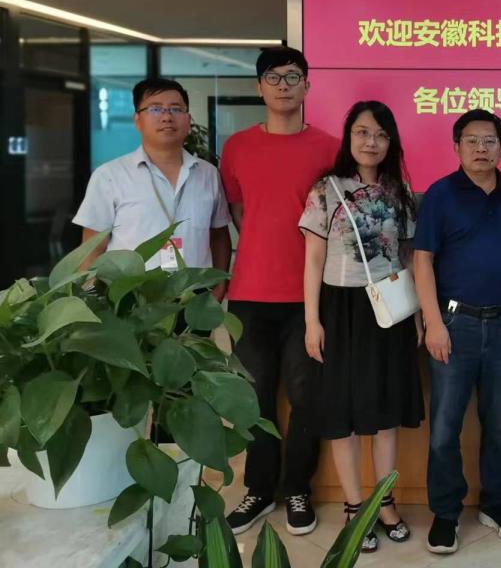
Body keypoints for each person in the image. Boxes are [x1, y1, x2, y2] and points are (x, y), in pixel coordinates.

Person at [219, 46, 339, 536]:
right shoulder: (237, 148)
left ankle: (297, 489)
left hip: (311, 299)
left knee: (308, 397)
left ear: (308, 86)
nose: (284, 85)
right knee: (254, 399)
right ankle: (259, 489)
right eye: (274, 77)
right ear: (259, 87)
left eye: (293, 76)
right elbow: (240, 212)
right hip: (249, 294)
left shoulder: (330, 149)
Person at [300, 100, 424, 553]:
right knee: (343, 413)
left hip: (389, 307)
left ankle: (384, 502)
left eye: (381, 135)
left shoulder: (399, 192)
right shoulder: (325, 190)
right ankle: (354, 506)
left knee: (386, 411)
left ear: (391, 142)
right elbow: (313, 259)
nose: (371, 142)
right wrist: (312, 321)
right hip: (339, 309)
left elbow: (408, 257)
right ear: (348, 137)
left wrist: (417, 314)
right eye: (362, 133)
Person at [414, 109, 501, 554]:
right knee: (445, 426)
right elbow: (422, 259)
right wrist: (434, 322)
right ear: (457, 146)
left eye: (489, 141)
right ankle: (445, 513)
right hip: (454, 324)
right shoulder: (440, 194)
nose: (481, 148)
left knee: (499, 425)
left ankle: (496, 504)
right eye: (472, 141)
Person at [74, 78, 231, 288]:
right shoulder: (109, 176)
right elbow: (92, 249)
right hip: (131, 298)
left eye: (176, 109)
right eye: (155, 109)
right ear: (137, 120)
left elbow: (219, 237)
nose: (166, 117)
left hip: (195, 294)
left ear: (188, 120)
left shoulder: (208, 174)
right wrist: (92, 297)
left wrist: (218, 288)